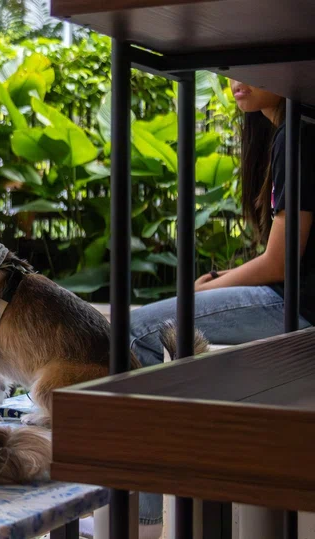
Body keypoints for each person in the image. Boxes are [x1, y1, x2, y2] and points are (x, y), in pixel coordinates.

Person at [127, 79, 314, 537]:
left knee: (127, 333)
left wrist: (209, 289)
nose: (236, 80)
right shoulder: (288, 135)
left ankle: (140, 523)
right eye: (230, 68)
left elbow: (280, 262)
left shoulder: (300, 134)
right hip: (295, 302)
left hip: (299, 310)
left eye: (251, 67)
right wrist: (216, 284)